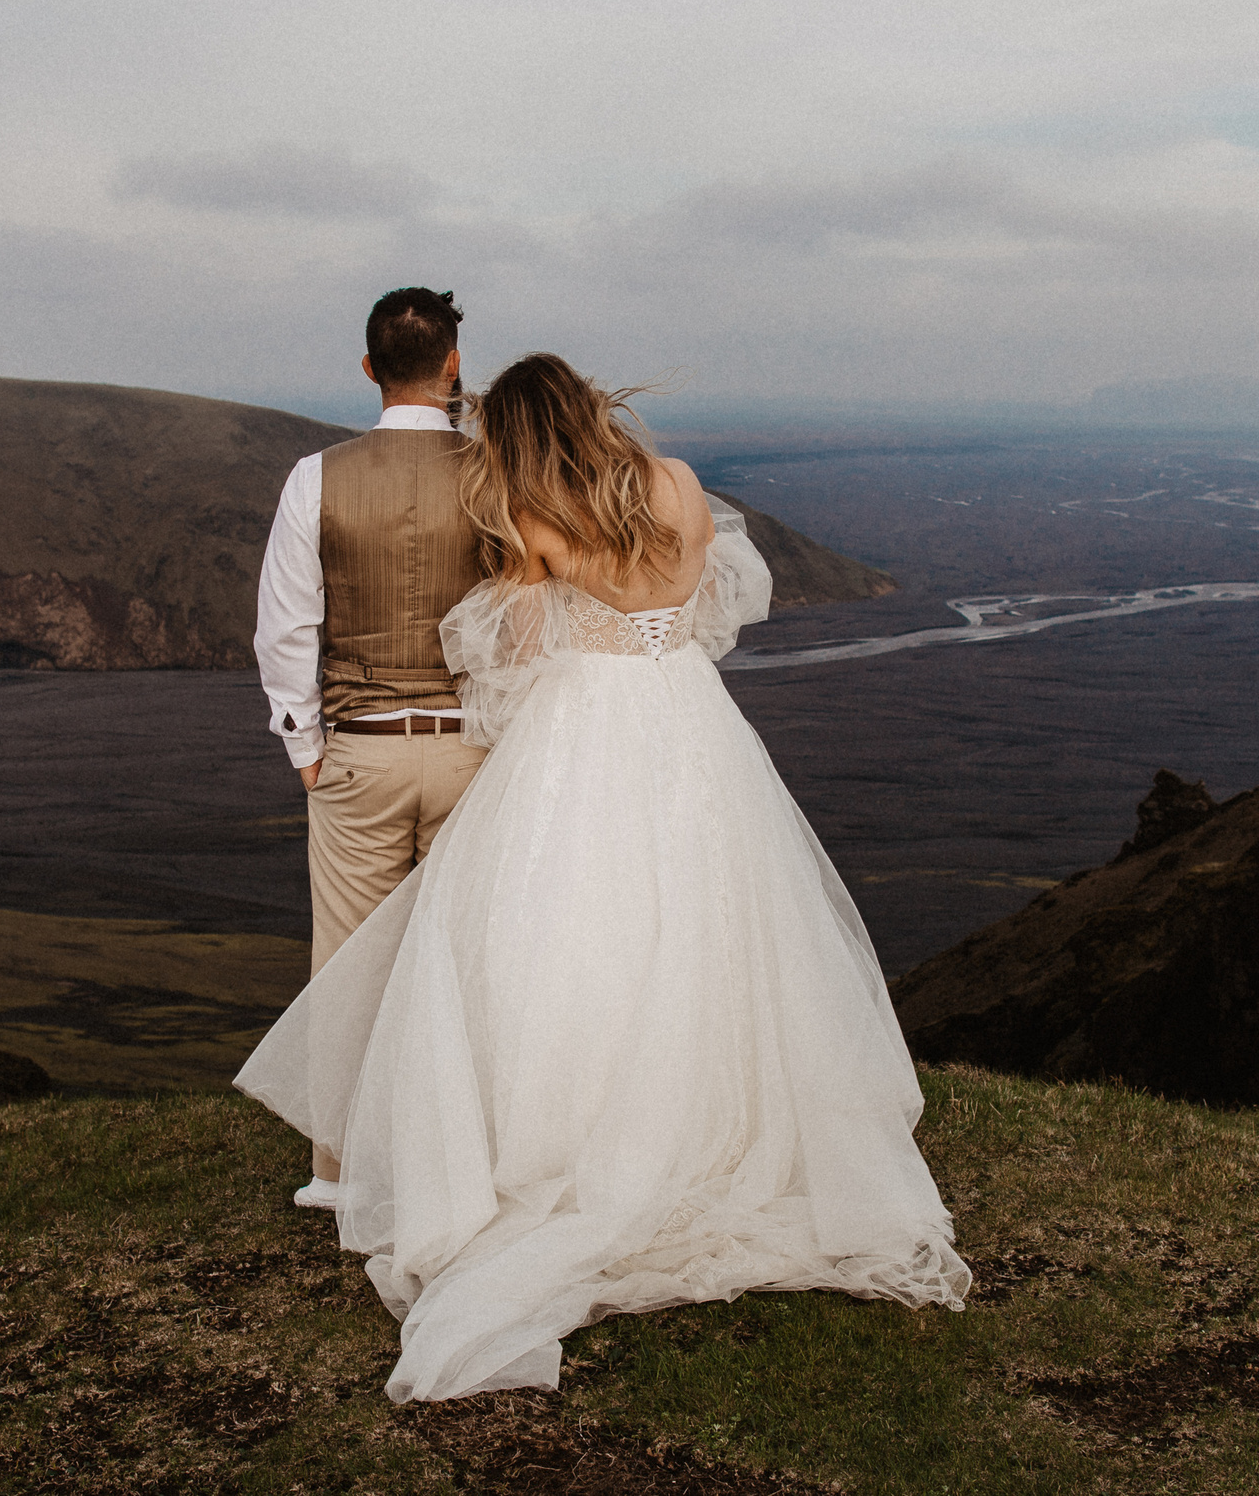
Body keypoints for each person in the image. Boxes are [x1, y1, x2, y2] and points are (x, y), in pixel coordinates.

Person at [237, 353, 971, 1403]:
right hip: (687, 717)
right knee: (718, 921)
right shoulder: (673, 483)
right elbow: (714, 603)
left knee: (572, 931)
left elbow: (510, 649)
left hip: (586, 725)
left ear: (521, 438)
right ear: (590, 410)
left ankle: (564, 1137)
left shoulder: (535, 522)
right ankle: (717, 1126)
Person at [252, 287, 489, 1212]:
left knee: (348, 963)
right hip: (474, 751)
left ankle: (341, 1172)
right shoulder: (490, 475)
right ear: (454, 365)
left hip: (362, 752)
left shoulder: (316, 475)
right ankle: (460, 1162)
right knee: (467, 960)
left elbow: (284, 629)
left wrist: (306, 748)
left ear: (367, 367)